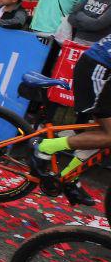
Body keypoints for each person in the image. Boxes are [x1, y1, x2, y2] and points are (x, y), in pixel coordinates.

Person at [32, 27, 111, 206]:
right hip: (96, 70)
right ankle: (48, 146)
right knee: (109, 135)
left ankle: (69, 177)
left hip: (101, 70)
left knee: (101, 132)